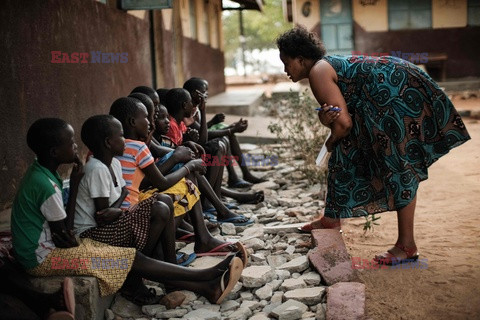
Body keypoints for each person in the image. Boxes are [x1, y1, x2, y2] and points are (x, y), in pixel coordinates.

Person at [276, 26, 471, 265]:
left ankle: (406, 245)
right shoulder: (324, 66)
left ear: (301, 59)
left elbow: (344, 125)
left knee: (398, 164)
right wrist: (329, 125)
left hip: (393, 94)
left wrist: (330, 141)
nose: (285, 70)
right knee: (346, 154)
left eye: (286, 63)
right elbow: (340, 117)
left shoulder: (318, 72)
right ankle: (331, 218)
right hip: (396, 86)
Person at [10, 118, 244, 306]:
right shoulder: (47, 185)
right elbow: (67, 239)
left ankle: (208, 285)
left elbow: (69, 230)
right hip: (41, 259)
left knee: (142, 239)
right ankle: (206, 276)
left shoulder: (42, 174)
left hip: (49, 248)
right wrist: (77, 184)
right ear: (53, 152)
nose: (75, 147)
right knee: (130, 257)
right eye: (70, 143)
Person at [109, 97, 249, 260]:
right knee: (187, 178)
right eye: (148, 116)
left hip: (130, 206)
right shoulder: (137, 146)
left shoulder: (129, 144)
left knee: (193, 166)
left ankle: (206, 225)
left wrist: (182, 152)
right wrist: (184, 163)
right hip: (134, 209)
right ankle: (202, 229)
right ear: (133, 121)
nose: (151, 121)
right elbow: (158, 182)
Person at [183, 77, 266, 188]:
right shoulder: (186, 111)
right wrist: (230, 130)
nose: (206, 94)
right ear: (193, 93)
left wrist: (214, 122)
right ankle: (233, 179)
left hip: (200, 139)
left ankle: (242, 174)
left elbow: (201, 129)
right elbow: (202, 135)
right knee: (224, 138)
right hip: (195, 146)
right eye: (203, 92)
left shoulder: (195, 108)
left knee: (226, 130)